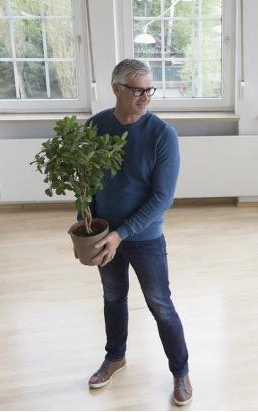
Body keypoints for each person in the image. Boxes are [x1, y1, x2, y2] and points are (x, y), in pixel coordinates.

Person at [82, 58, 191, 406]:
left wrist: (121, 234)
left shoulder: (162, 135)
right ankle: (115, 357)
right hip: (103, 235)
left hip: (144, 238)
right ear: (116, 89)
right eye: (138, 90)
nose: (146, 97)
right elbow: (84, 183)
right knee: (113, 298)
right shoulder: (95, 127)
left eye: (149, 90)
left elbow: (163, 198)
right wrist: (86, 226)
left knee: (160, 303)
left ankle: (181, 372)